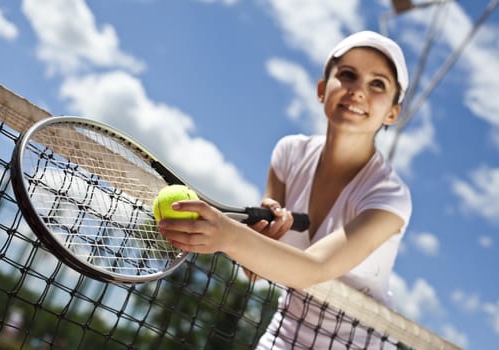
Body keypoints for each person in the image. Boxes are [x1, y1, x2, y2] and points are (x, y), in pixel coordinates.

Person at [159, 30, 412, 349]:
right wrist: (262, 235)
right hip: (288, 332)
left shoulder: (390, 196)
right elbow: (254, 271)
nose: (358, 91)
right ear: (322, 89)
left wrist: (228, 235)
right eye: (347, 75)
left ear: (392, 112)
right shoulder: (289, 154)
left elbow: (315, 268)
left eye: (378, 84)